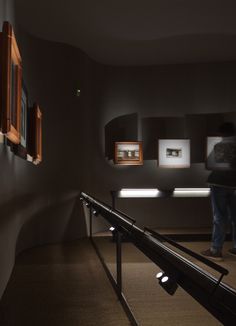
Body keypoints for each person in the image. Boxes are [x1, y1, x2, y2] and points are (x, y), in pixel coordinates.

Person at [201, 122, 236, 261]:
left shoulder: (219, 146)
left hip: (219, 183)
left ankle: (216, 250)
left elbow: (209, 165)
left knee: (219, 216)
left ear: (221, 133)